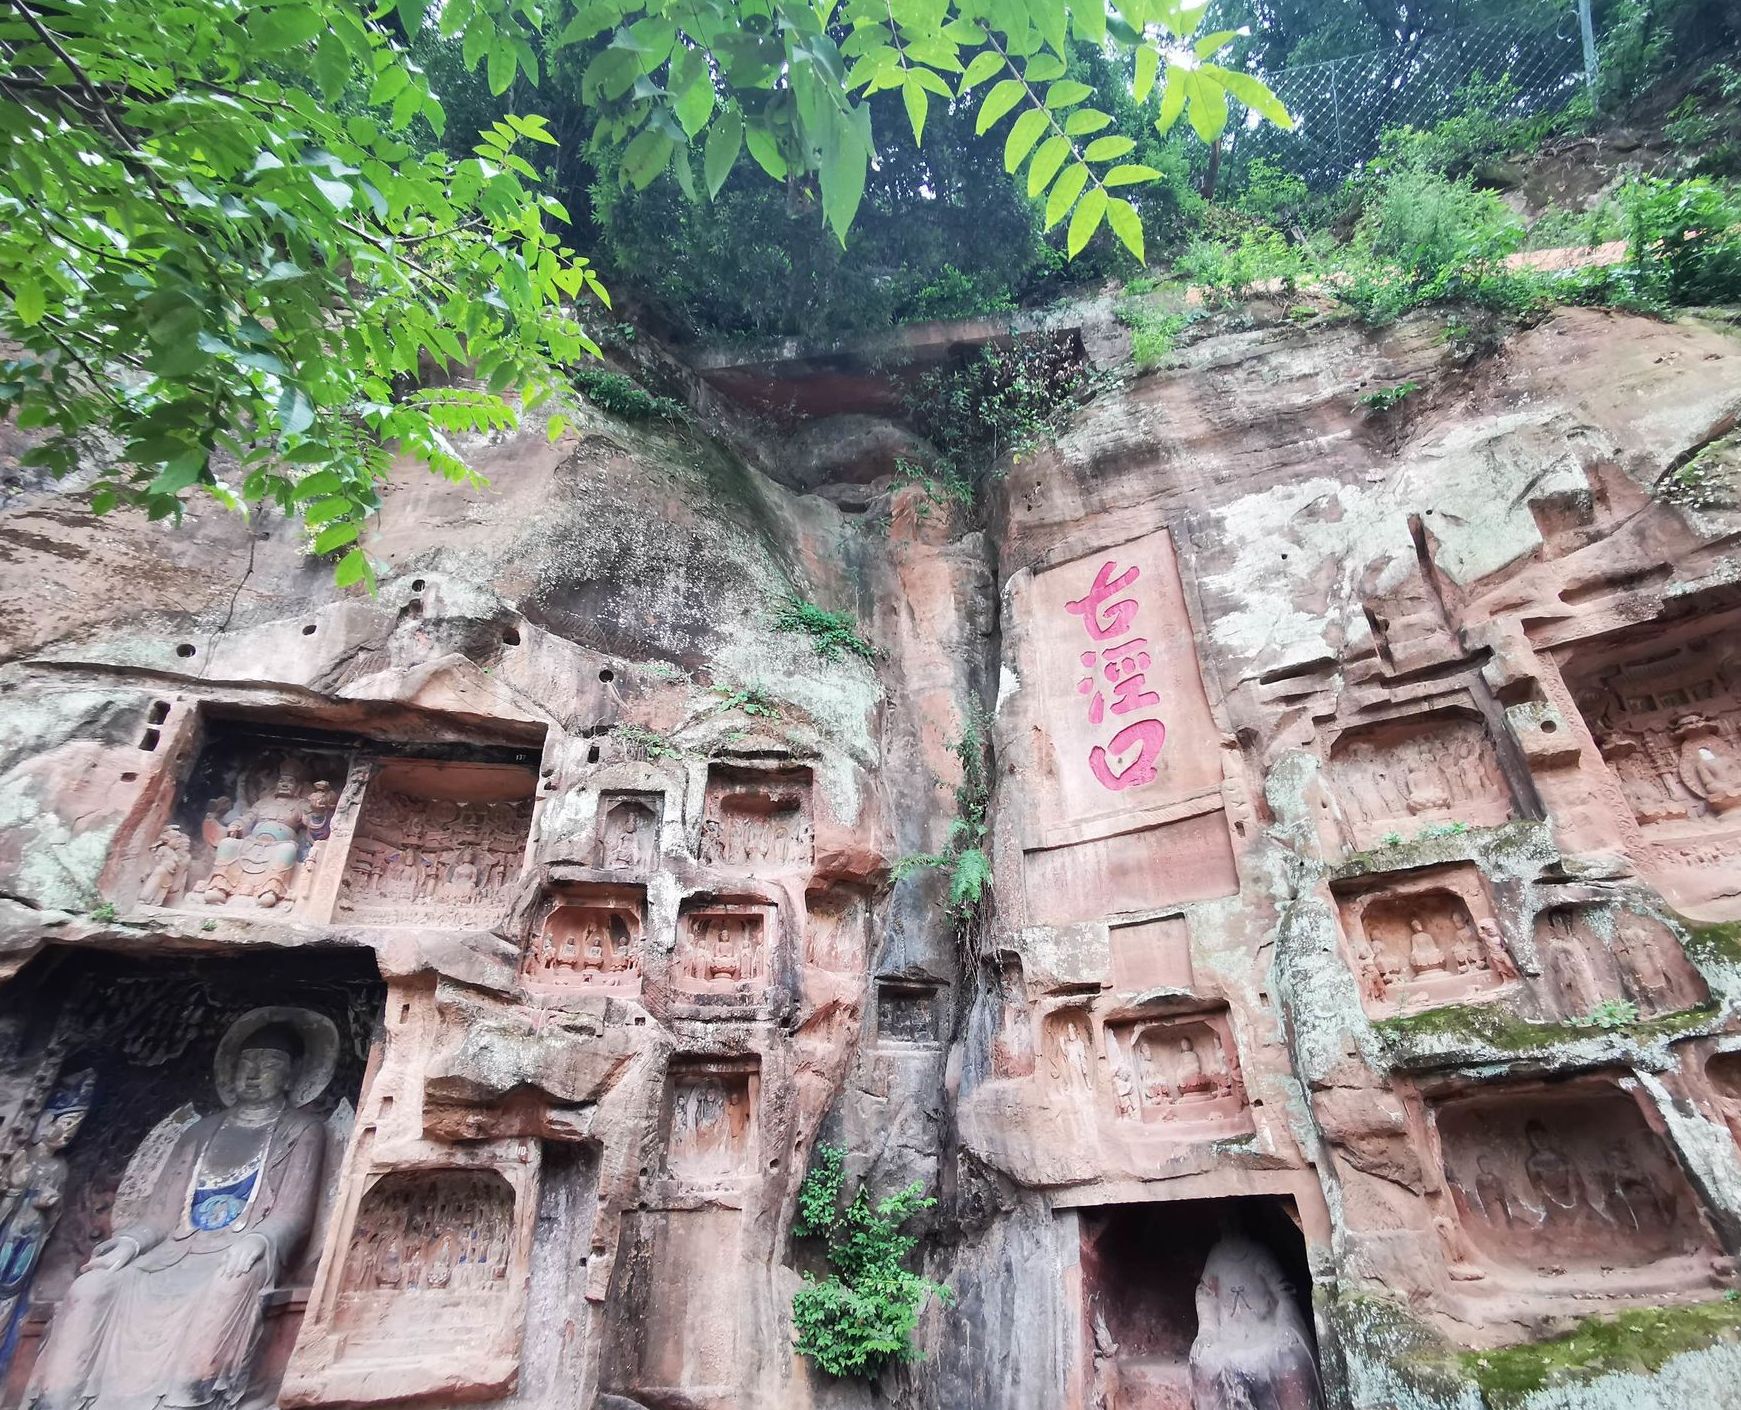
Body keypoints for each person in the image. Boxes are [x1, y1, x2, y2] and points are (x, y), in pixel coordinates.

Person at [26, 1012, 333, 1410]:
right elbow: (159, 1216)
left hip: (239, 1249)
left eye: (270, 1064)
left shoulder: (302, 1131)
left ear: (292, 1075)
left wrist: (260, 1239)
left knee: (230, 1282)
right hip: (173, 1252)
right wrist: (128, 1244)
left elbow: (293, 1214)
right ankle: (59, 1399)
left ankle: (193, 1396)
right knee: (91, 1287)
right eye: (247, 1063)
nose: (254, 1073)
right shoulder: (199, 1133)